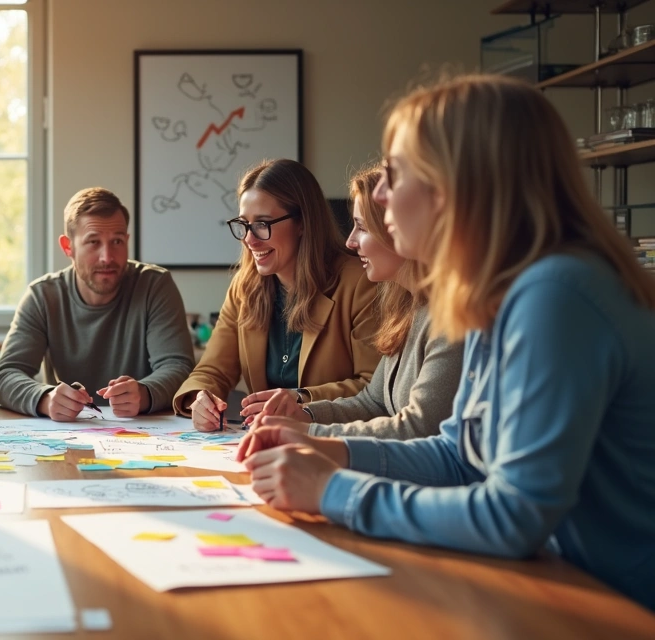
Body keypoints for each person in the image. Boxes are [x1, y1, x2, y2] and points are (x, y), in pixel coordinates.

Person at [240, 75, 655, 611]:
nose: (381, 193)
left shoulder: (556, 295)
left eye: (395, 173)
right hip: (551, 587)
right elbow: (460, 456)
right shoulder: (501, 293)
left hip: (609, 606)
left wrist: (330, 490)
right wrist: (327, 449)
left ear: (457, 183)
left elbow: (513, 517)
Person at [247, 165, 461, 440]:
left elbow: (419, 429)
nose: (350, 242)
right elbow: (374, 403)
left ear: (400, 229)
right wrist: (305, 414)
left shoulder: (450, 320)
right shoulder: (406, 309)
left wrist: (308, 433)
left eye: (361, 227)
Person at [173, 159, 381, 432]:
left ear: (303, 223)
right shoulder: (243, 288)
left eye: (262, 224)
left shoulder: (359, 283)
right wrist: (200, 398)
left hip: (333, 442)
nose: (250, 239)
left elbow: (373, 387)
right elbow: (212, 370)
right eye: (244, 224)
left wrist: (300, 399)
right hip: (268, 444)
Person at [0, 187, 194, 420]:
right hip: (66, 435)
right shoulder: (43, 296)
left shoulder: (155, 286)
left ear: (127, 240)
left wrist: (145, 393)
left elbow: (179, 367)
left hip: (144, 432)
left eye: (117, 241)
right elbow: (4, 377)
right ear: (68, 247)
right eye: (93, 242)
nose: (107, 257)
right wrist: (45, 398)